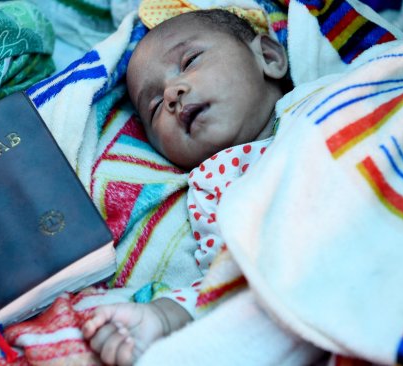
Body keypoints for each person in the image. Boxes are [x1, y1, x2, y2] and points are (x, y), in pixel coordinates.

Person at [81, 8, 291, 365]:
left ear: (268, 57)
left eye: (190, 60)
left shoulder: (328, 96)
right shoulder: (213, 187)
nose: (173, 93)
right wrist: (163, 317)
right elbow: (225, 283)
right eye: (155, 105)